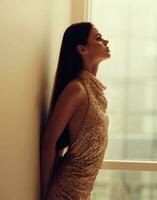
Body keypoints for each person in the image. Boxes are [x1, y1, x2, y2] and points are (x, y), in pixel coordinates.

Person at [41, 22, 111, 200]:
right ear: (82, 49)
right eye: (98, 38)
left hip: (83, 193)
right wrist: (45, 194)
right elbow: (49, 142)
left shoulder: (93, 90)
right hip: (66, 193)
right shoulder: (77, 89)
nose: (106, 41)